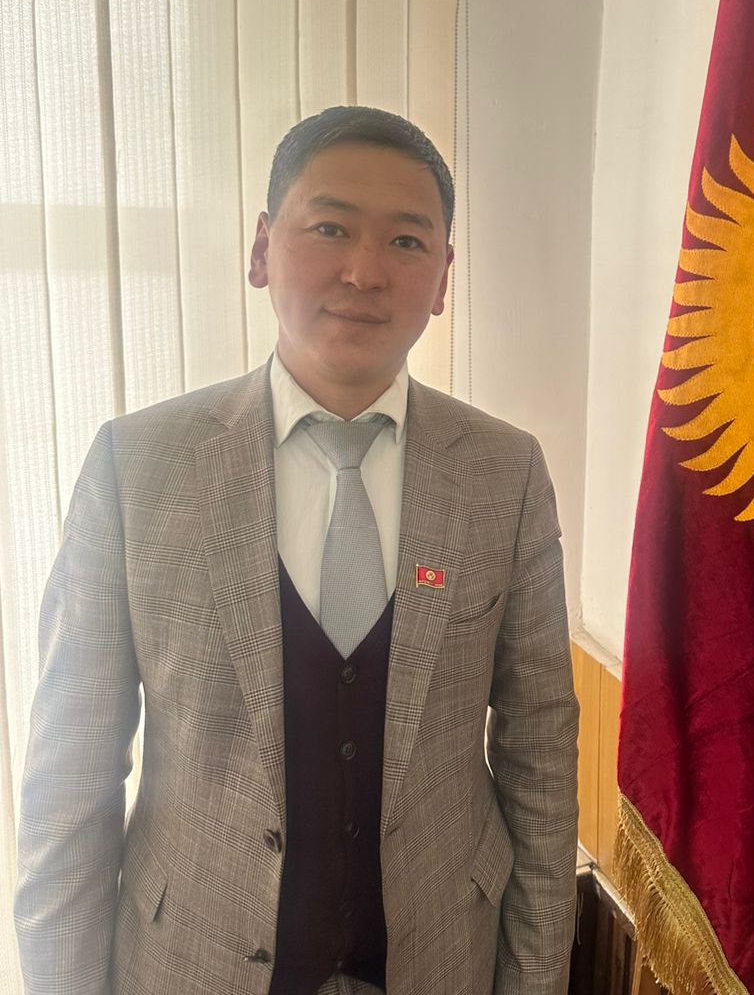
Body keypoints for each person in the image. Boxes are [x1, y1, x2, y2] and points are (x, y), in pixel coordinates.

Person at [14, 106, 579, 995]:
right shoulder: (138, 468)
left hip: (440, 960)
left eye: (406, 241)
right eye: (330, 228)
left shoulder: (504, 474)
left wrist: (535, 978)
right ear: (261, 250)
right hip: (191, 963)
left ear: (442, 278)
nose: (364, 270)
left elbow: (539, 752)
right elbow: (70, 782)